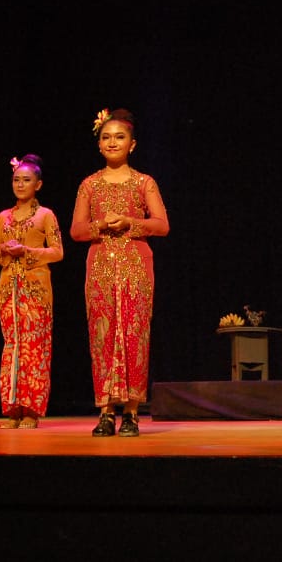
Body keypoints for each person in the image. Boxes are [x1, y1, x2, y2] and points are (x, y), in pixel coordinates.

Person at [70, 108, 169, 437]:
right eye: (106, 137)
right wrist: (100, 224)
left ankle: (132, 412)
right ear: (99, 144)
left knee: (133, 335)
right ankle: (105, 412)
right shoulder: (89, 185)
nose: (112, 142)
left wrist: (130, 223)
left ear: (133, 144)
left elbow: (162, 225)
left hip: (136, 265)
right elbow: (76, 231)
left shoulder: (144, 182)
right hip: (99, 267)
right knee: (103, 336)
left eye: (120, 137)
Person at [0, 154, 64, 429]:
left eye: (26, 180)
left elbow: (58, 252)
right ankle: (13, 409)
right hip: (9, 287)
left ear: (38, 185)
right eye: (16, 180)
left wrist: (27, 252)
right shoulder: (3, 217)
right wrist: (3, 251)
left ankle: (32, 410)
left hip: (36, 288)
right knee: (12, 345)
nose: (20, 185)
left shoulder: (46, 216)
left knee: (35, 346)